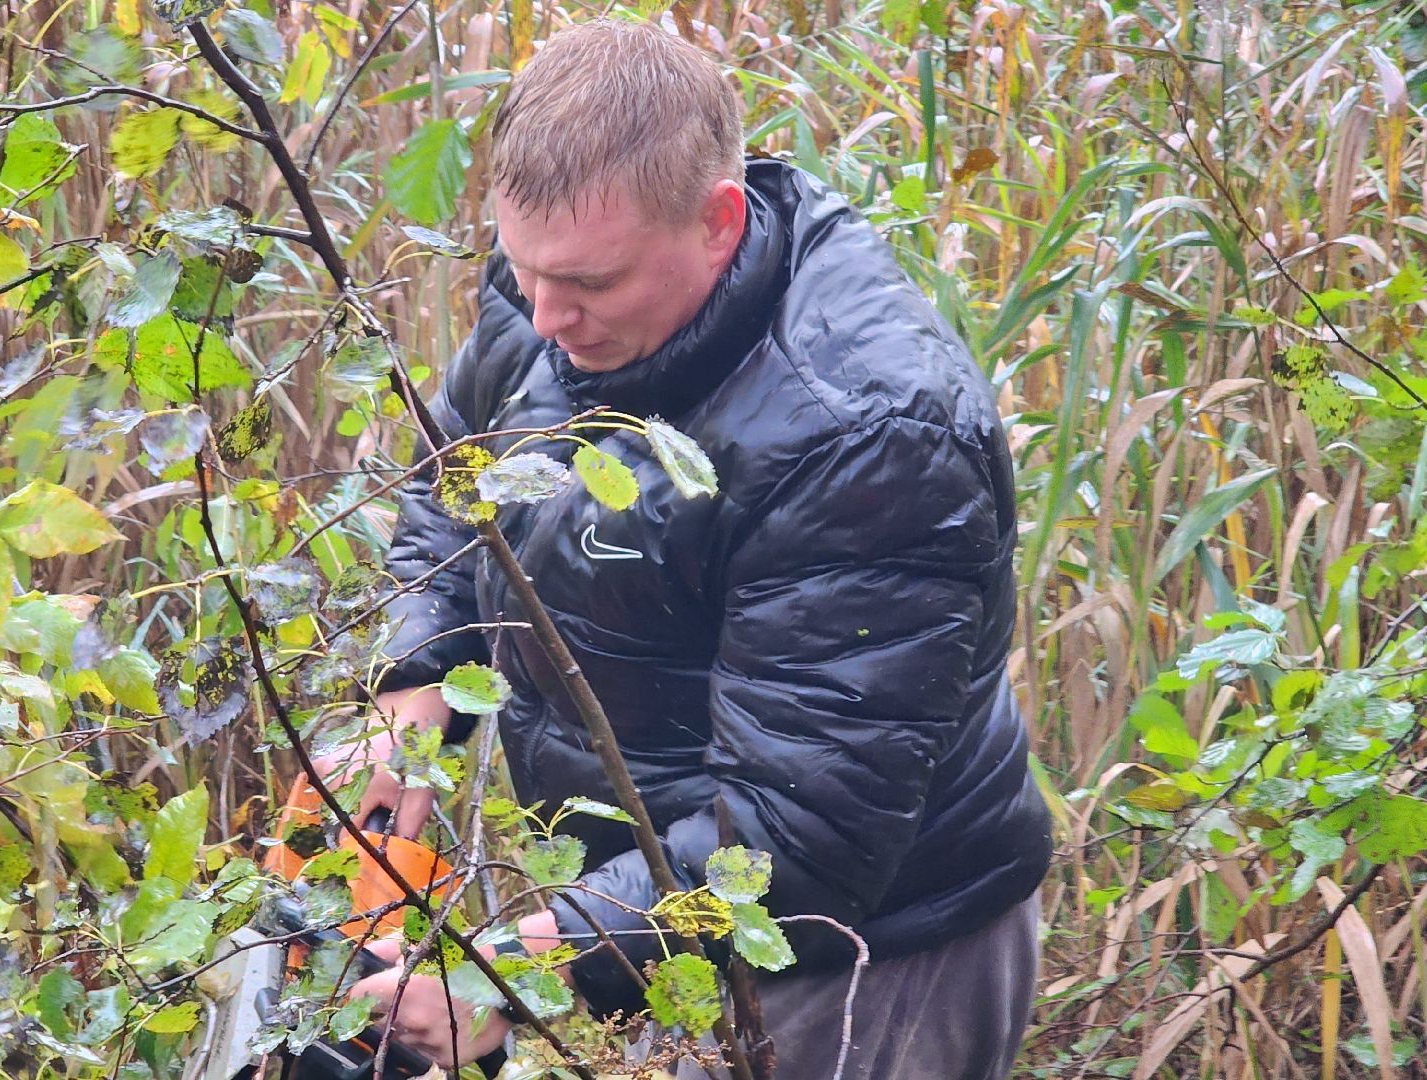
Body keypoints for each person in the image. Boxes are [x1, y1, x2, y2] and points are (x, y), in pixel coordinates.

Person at [332, 17, 1054, 1079]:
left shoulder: (867, 434)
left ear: (718, 223)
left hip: (869, 962)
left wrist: (522, 971)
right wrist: (417, 679)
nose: (544, 315)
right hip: (659, 913)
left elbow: (793, 846)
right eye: (525, 270)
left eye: (587, 285)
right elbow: (458, 479)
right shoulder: (561, 282)